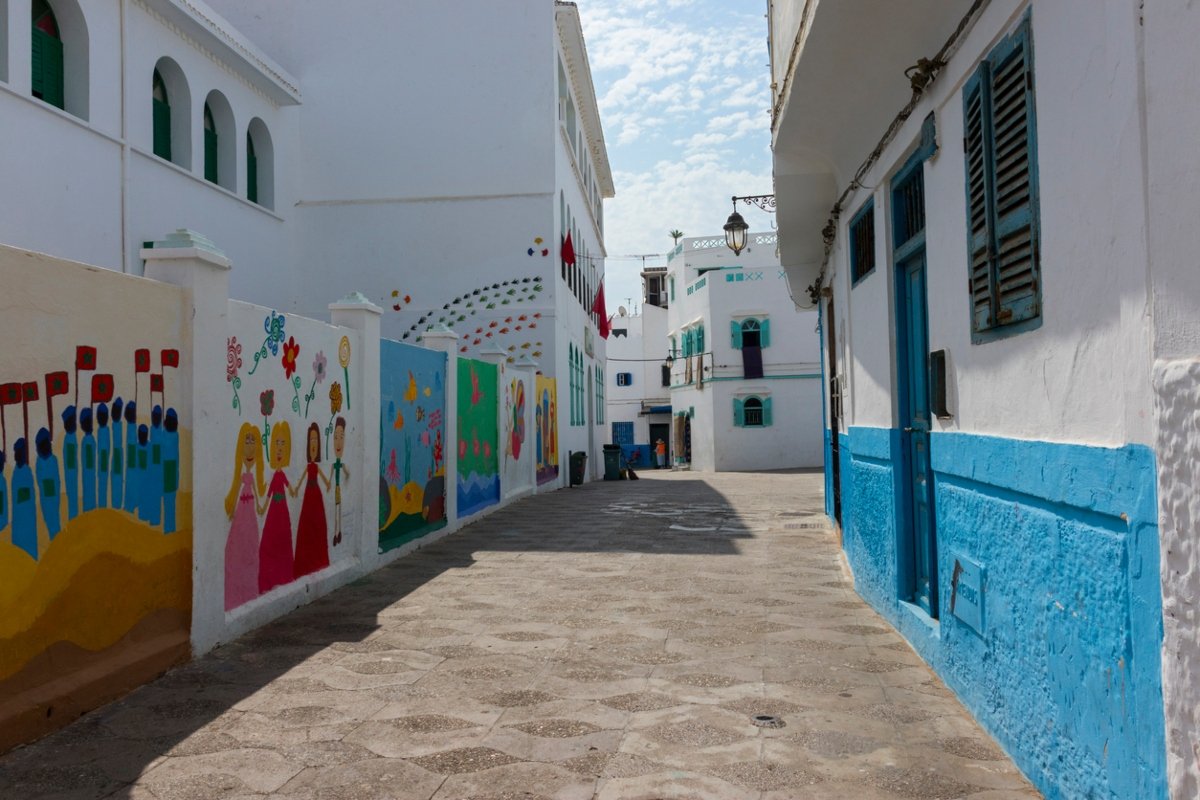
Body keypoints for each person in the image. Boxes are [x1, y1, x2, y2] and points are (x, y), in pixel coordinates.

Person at [224, 423, 265, 610]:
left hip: (250, 514)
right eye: (247, 441)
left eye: (253, 441)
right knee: (239, 545)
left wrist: (259, 505)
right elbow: (237, 489)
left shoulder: (252, 475)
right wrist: (232, 506)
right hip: (242, 511)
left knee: (249, 547)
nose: (250, 445)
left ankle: (249, 586)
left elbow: (257, 491)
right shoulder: (240, 476)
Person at [258, 420, 295, 593]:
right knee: (271, 540)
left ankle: (283, 574)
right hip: (274, 509)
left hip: (282, 510)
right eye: (277, 443)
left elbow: (290, 487)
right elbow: (269, 494)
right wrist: (263, 508)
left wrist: (294, 491)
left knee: (282, 539)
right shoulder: (274, 476)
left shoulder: (282, 475)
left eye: (283, 443)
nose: (279, 448)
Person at [292, 422, 331, 579]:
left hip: (316, 495)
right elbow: (301, 479)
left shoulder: (315, 467)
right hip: (308, 494)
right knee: (307, 525)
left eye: (316, 440)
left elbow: (323, 477)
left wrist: (328, 483)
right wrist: (295, 488)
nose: (313, 444)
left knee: (318, 526)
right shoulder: (308, 467)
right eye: (311, 440)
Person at [331, 417, 349, 546]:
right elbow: (330, 476)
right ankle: (336, 533)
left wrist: (347, 475)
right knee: (336, 511)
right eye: (335, 437)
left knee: (339, 508)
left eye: (341, 437)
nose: (338, 443)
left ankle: (339, 532)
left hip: (338, 489)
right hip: (336, 488)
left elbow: (347, 472)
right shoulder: (334, 465)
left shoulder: (340, 464)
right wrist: (327, 483)